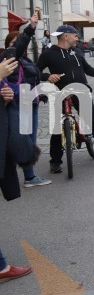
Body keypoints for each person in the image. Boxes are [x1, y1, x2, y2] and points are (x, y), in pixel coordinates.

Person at [37, 25, 94, 171]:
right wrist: (47, 76)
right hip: (60, 92)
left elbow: (87, 69)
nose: (78, 38)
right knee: (57, 127)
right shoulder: (49, 54)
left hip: (81, 91)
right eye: (75, 36)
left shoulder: (77, 52)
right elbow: (34, 71)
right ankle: (55, 162)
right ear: (65, 36)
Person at [3, 11, 51, 187]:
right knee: (25, 141)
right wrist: (30, 28)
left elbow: (34, 77)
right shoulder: (9, 59)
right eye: (13, 44)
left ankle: (28, 175)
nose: (18, 46)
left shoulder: (25, 60)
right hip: (20, 103)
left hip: (32, 103)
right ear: (8, 46)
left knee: (30, 140)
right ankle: (29, 177)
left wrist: (42, 90)